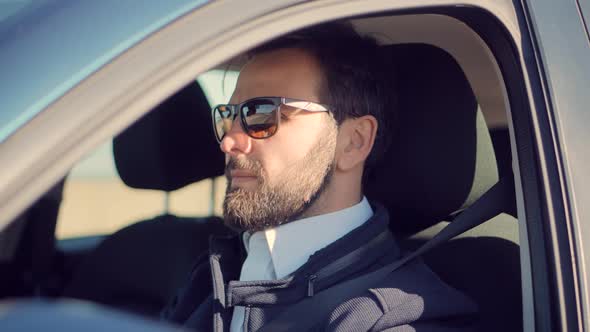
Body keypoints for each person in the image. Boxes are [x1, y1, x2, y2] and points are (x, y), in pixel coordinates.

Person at [161, 22, 477, 331]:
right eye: (229, 117)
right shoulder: (212, 275)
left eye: (261, 115)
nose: (230, 141)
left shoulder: (390, 318)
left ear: (354, 142)